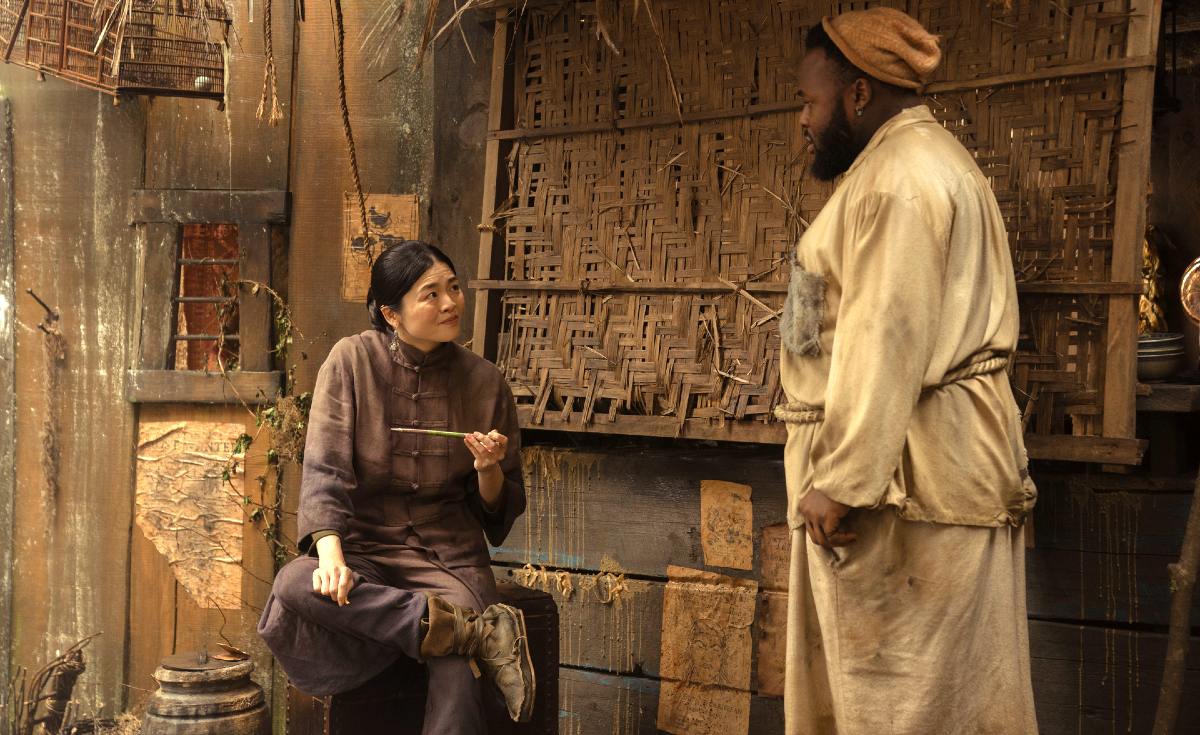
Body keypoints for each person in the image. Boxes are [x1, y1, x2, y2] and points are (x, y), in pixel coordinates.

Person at [776, 8, 1038, 734]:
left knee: (904, 708)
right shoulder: (912, 167)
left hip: (902, 496)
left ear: (859, 94)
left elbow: (885, 335)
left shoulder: (898, 182)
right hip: (917, 485)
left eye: (811, 100)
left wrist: (845, 478)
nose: (803, 119)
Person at [258, 240, 534, 733]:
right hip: (364, 548)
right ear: (391, 313)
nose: (450, 303)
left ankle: (455, 631)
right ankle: (460, 631)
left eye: (454, 288)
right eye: (431, 294)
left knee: (458, 670)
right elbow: (325, 467)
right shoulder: (351, 360)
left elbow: (500, 513)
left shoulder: (486, 383)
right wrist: (331, 557)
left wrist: (488, 469)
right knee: (293, 584)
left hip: (448, 556)